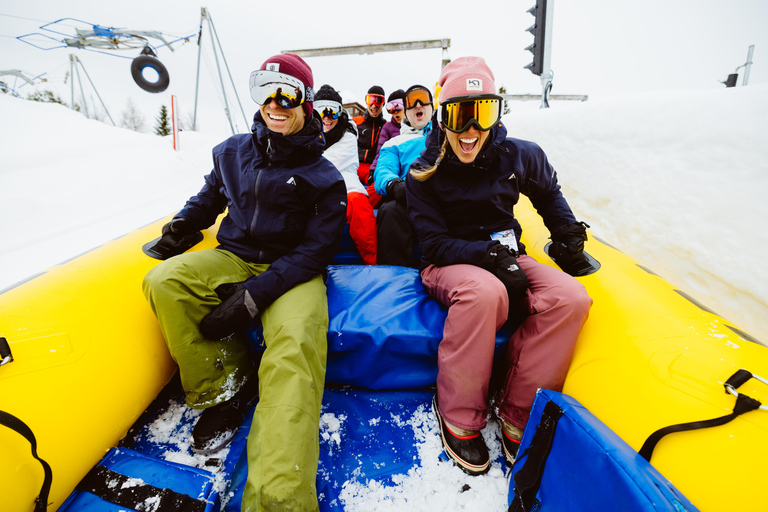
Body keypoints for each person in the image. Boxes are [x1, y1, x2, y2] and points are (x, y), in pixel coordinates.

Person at [142, 53, 347, 510]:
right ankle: (226, 387)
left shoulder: (323, 177)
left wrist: (257, 295)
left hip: (294, 271)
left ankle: (279, 498)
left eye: (287, 94)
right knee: (164, 281)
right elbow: (210, 197)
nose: (274, 104)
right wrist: (181, 226)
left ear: (307, 102)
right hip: (234, 257)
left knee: (295, 344)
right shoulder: (232, 151)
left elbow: (317, 250)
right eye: (264, 91)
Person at [406, 57, 593, 475]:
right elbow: (433, 243)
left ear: (497, 113)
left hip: (505, 252)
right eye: (459, 115)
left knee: (570, 298)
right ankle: (458, 411)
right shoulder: (424, 172)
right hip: (448, 260)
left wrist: (566, 231)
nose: (470, 131)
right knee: (484, 292)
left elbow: (548, 192)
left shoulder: (518, 156)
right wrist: (489, 258)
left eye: (483, 114)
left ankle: (516, 407)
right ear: (442, 118)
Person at [314, 84, 377, 265]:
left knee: (359, 206)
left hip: (344, 181)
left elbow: (330, 163)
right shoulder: (306, 129)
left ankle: (372, 261)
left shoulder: (347, 132)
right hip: (311, 184)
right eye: (321, 111)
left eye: (332, 111)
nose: (327, 117)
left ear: (340, 112)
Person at [373, 84, 434, 266]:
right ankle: (394, 273)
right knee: (390, 211)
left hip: (439, 194)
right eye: (411, 102)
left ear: (432, 107)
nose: (418, 105)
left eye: (423, 100)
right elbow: (383, 169)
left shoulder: (445, 136)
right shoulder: (394, 142)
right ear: (406, 111)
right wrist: (395, 184)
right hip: (408, 195)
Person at [366, 89, 406, 208]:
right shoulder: (388, 127)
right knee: (377, 187)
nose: (395, 112)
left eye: (398, 107)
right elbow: (380, 150)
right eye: (390, 109)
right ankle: (357, 207)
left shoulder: (416, 125)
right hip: (391, 167)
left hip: (406, 167)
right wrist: (373, 170)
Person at [354, 85, 386, 185]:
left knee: (380, 186)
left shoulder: (386, 127)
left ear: (383, 103)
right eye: (371, 100)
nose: (374, 105)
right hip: (355, 166)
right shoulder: (355, 122)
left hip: (372, 169)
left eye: (378, 101)